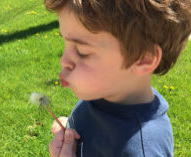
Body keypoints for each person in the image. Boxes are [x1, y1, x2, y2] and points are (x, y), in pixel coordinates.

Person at [44, 0, 191, 156]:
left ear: (143, 59)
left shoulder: (141, 150)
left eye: (82, 51)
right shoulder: (105, 92)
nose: (64, 61)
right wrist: (72, 124)